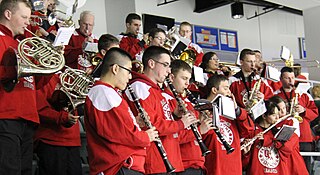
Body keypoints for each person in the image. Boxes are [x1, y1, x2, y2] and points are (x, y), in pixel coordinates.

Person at [84, 48, 159, 175]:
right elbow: (120, 133)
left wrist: (135, 123)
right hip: (118, 167)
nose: (130, 76)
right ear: (115, 69)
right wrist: (145, 136)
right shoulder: (103, 92)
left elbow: (115, 127)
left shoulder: (109, 92)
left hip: (125, 167)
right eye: (128, 71)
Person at [124, 46, 197, 174]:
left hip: (170, 159)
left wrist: (175, 116)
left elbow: (163, 120)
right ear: (151, 63)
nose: (169, 71)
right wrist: (181, 124)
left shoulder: (156, 90)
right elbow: (151, 125)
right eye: (165, 65)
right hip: (155, 162)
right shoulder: (140, 87)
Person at [0, 0, 38, 174]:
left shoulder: (23, 44)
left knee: (24, 171)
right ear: (8, 15)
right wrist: (15, 69)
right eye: (24, 17)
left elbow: (38, 83)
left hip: (28, 117)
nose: (27, 22)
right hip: (6, 115)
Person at [163, 59, 213, 175]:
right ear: (171, 77)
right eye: (184, 78)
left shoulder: (188, 103)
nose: (187, 83)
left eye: (188, 79)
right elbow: (173, 135)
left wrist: (202, 121)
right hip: (183, 162)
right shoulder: (164, 99)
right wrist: (200, 130)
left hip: (198, 161)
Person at [203, 74, 254, 175]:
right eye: (226, 88)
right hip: (213, 167)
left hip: (233, 168)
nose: (229, 93)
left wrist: (237, 110)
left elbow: (248, 130)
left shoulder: (232, 112)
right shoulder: (201, 110)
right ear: (214, 90)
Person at [34, 71, 82, 175]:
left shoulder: (70, 77)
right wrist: (63, 117)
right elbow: (39, 108)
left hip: (73, 140)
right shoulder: (44, 76)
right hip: (51, 140)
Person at [274, 66, 318, 173]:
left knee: (305, 168)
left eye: (292, 78)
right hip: (285, 138)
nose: (291, 81)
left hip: (304, 137)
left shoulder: (304, 95)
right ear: (281, 79)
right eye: (287, 78)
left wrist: (304, 110)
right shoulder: (275, 95)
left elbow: (315, 113)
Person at [242, 100, 299, 175]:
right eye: (273, 115)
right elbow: (244, 165)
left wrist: (267, 139)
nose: (277, 117)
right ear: (264, 116)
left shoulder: (280, 131)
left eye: (278, 114)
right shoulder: (252, 133)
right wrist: (246, 153)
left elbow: (288, 149)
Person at [268, 95, 309, 175]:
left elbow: (290, 143)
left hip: (292, 158)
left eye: (284, 108)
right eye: (279, 109)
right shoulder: (270, 123)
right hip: (276, 160)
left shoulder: (292, 121)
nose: (283, 112)